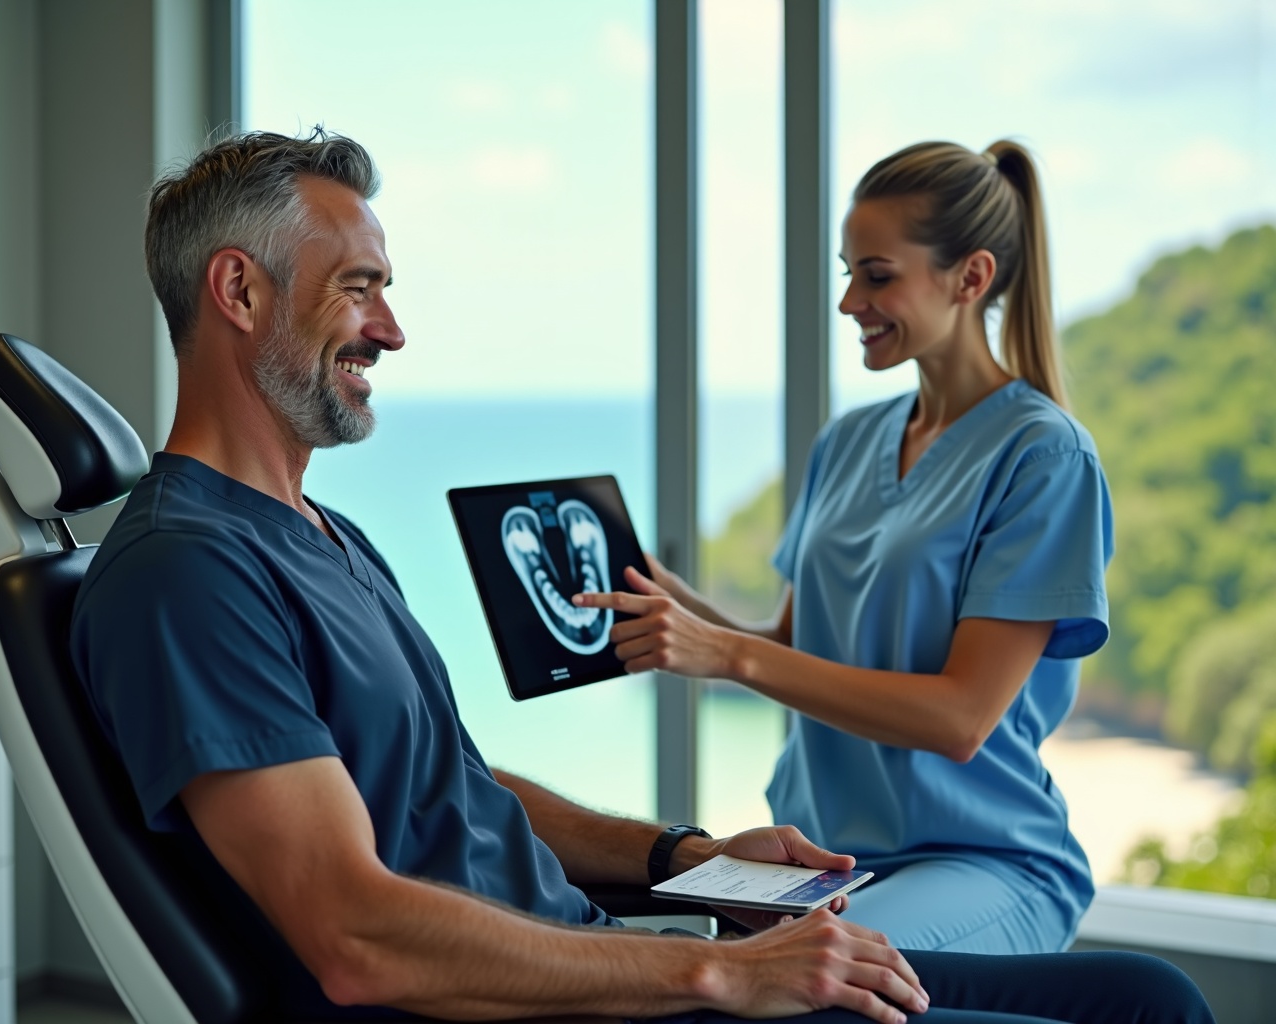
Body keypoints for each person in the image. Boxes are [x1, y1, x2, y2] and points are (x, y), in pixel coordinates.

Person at [70, 129, 1210, 1023]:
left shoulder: (323, 537)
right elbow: (354, 934)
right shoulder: (189, 572)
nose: (396, 330)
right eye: (360, 287)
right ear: (240, 291)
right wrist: (710, 975)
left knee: (1149, 998)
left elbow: (456, 787)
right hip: (583, 999)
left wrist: (687, 857)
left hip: (612, 953)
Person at [576, 140, 1110, 956]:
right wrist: (680, 607)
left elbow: (962, 717)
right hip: (822, 859)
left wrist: (724, 655)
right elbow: (795, 650)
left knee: (807, 973)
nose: (849, 301)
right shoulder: (850, 440)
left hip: (978, 859)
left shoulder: (1044, 457)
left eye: (878, 274)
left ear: (971, 277)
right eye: (846, 273)